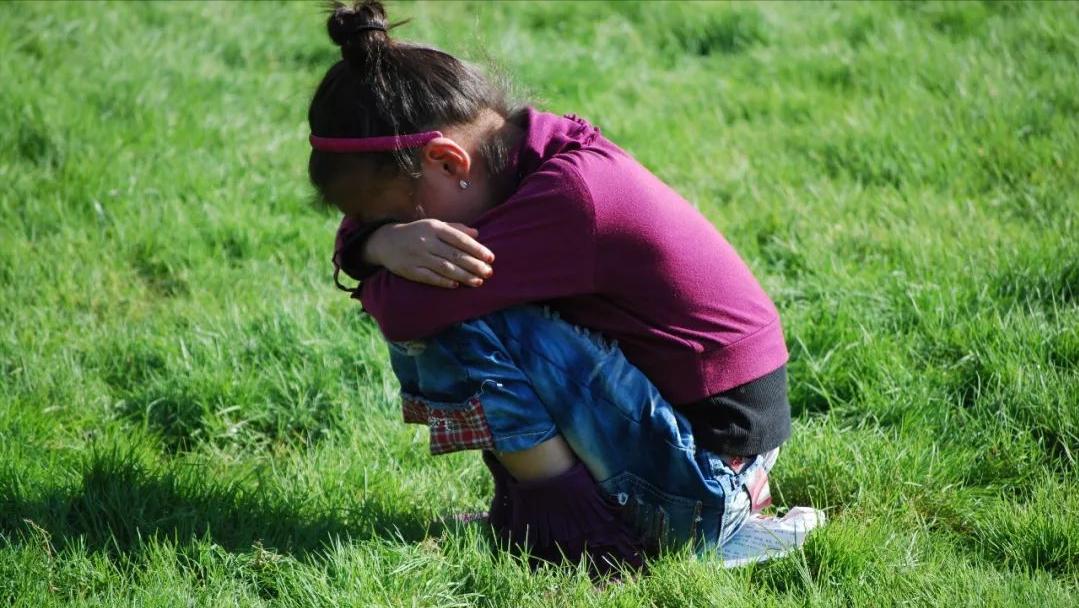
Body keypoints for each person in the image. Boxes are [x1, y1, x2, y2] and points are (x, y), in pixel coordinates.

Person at [309, 1, 791, 574]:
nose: (405, 235)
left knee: (457, 314)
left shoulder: (571, 199)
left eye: (397, 218)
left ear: (446, 160)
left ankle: (582, 534)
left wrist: (374, 260)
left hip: (708, 478)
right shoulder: (524, 154)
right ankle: (546, 510)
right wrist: (375, 246)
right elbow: (368, 251)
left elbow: (407, 313)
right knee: (452, 288)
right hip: (705, 449)